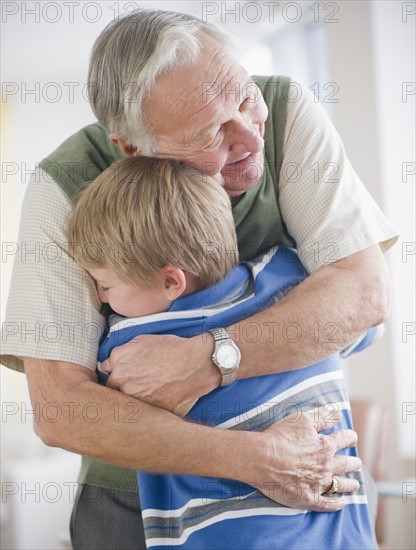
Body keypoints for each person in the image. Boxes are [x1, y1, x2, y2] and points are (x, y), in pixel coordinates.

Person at [1, 8, 397, 550]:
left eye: (243, 97)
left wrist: (209, 359)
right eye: (211, 132)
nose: (251, 138)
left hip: (313, 474)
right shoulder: (65, 185)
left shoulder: (281, 110)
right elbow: (63, 409)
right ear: (132, 151)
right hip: (137, 498)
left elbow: (364, 291)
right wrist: (259, 460)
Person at [67, 155, 377, 549]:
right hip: (342, 529)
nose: (100, 297)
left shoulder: (131, 340)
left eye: (105, 284)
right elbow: (365, 330)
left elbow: (94, 413)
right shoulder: (291, 277)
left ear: (170, 281)